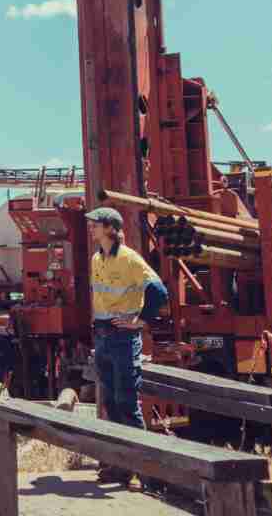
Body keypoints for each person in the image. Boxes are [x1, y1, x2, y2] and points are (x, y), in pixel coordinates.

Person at [85, 205, 167, 484]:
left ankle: (146, 472)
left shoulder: (130, 259)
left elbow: (158, 290)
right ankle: (120, 466)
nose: (92, 227)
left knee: (126, 403)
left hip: (122, 339)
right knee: (111, 402)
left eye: (96, 223)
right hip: (104, 336)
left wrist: (141, 322)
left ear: (110, 228)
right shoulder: (97, 259)